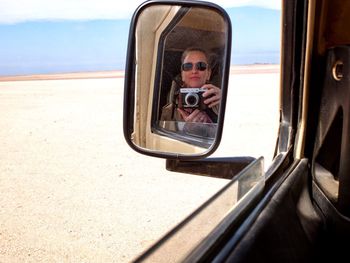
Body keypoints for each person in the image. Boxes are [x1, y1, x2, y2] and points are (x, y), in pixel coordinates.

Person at [160, 47, 221, 124]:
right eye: (188, 66)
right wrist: (188, 130)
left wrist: (226, 102)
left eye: (201, 66)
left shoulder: (219, 103)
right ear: (182, 74)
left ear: (208, 73)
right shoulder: (169, 112)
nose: (194, 71)